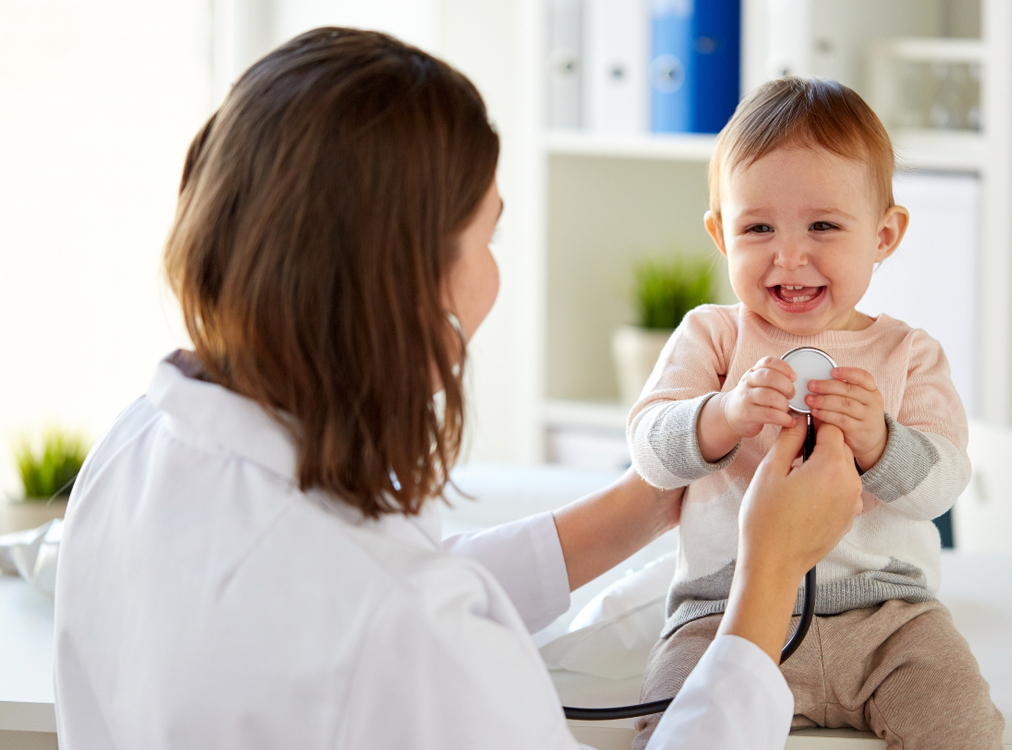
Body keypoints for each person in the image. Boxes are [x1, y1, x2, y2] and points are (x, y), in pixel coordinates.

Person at [52, 29, 864, 750]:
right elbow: (405, 610)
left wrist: (642, 502)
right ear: (408, 280)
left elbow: (402, 576)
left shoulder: (133, 447)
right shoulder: (411, 636)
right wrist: (769, 577)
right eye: (491, 234)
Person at [628, 78, 1005, 749]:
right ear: (721, 233)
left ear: (885, 234)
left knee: (963, 725)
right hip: (728, 610)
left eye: (824, 226)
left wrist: (880, 443)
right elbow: (651, 454)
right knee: (665, 724)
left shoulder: (908, 353)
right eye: (758, 227)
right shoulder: (712, 337)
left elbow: (944, 484)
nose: (790, 255)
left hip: (888, 618)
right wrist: (723, 414)